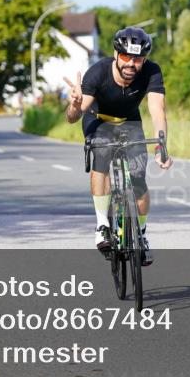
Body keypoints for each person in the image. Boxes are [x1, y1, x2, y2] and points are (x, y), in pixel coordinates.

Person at [64, 27, 171, 266]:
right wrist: (74, 104)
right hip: (98, 119)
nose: (131, 64)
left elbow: (157, 110)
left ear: (144, 59)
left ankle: (141, 234)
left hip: (129, 122)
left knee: (139, 181)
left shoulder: (152, 72)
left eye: (138, 59)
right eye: (125, 57)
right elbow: (72, 117)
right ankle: (102, 224)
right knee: (101, 154)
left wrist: (160, 146)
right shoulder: (98, 73)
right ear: (116, 54)